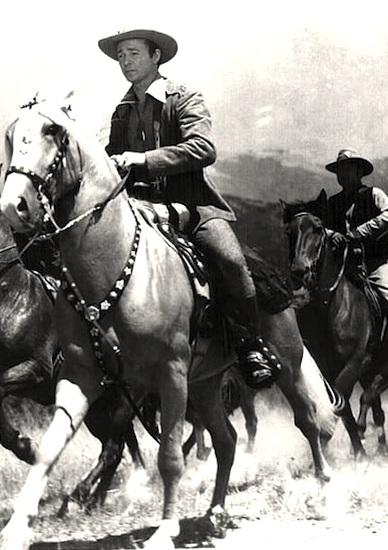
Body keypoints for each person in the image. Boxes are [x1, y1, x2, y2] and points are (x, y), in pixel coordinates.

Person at [98, 28, 277, 389]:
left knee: (231, 261)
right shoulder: (121, 111)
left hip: (193, 208)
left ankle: (250, 344)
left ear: (155, 57)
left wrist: (143, 159)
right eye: (120, 56)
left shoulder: (183, 98)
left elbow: (203, 148)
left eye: (133, 53)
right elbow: (110, 161)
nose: (125, 62)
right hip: (139, 208)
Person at [323, 147, 388, 370]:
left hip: (375, 262)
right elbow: (320, 227)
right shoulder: (333, 202)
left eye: (348, 169)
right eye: (340, 171)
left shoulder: (374, 194)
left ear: (359, 172)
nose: (343, 174)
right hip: (345, 264)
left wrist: (360, 232)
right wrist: (332, 234)